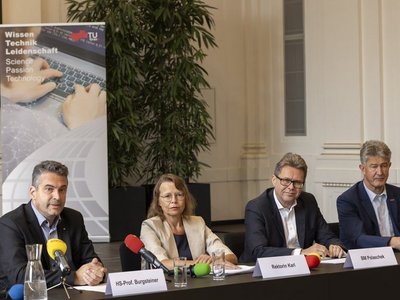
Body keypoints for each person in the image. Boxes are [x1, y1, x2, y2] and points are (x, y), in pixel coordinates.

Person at [0, 160, 107, 293]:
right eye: (49, 189)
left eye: (62, 190)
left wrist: (95, 272)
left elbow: (90, 260)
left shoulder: (74, 219)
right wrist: (74, 277)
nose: (57, 196)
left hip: (72, 294)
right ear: (33, 192)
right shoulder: (11, 224)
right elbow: (20, 276)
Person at [241, 152, 345, 262]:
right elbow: (258, 251)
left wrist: (334, 246)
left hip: (302, 269)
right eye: (285, 180)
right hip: (262, 272)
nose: (291, 187)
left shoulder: (308, 201)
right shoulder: (256, 207)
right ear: (274, 180)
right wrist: (301, 253)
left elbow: (326, 235)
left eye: (297, 182)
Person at [140, 173, 238, 270]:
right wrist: (199, 264)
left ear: (185, 198)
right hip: (166, 283)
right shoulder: (150, 226)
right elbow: (162, 263)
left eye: (179, 195)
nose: (174, 200)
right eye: (167, 196)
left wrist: (214, 260)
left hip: (199, 283)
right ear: (158, 201)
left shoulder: (198, 222)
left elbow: (231, 256)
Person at [337, 140, 400, 250]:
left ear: (389, 166)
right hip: (368, 259)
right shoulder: (347, 200)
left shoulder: (397, 194)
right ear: (363, 169)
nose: (380, 172)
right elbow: (358, 238)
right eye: (374, 166)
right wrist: (392, 241)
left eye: (384, 166)